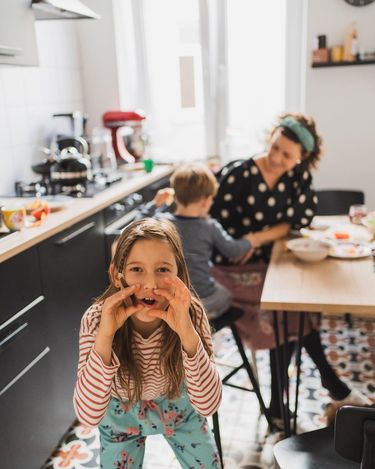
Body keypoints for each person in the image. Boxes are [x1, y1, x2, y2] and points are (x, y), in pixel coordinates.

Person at [210, 112, 372, 427]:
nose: (277, 158)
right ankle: (330, 389)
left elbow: (296, 222)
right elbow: (214, 226)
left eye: (287, 155)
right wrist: (242, 245)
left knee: (290, 312)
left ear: (302, 158)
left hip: (271, 262)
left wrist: (255, 238)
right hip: (233, 270)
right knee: (288, 312)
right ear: (270, 139)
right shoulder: (239, 174)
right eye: (275, 148)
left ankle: (279, 405)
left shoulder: (298, 178)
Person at [73, 218, 222, 468]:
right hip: (119, 411)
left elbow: (209, 404)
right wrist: (106, 336)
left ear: (179, 273)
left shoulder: (192, 314)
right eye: (136, 269)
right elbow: (88, 416)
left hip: (177, 402)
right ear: (115, 274)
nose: (151, 285)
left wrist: (186, 332)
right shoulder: (97, 320)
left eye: (163, 269)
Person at [137, 162, 253, 319]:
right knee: (226, 293)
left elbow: (135, 228)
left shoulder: (161, 222)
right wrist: (250, 241)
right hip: (204, 300)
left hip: (170, 299)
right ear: (205, 201)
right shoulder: (210, 226)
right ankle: (200, 321)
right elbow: (233, 250)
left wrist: (155, 204)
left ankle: (186, 318)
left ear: (175, 196)